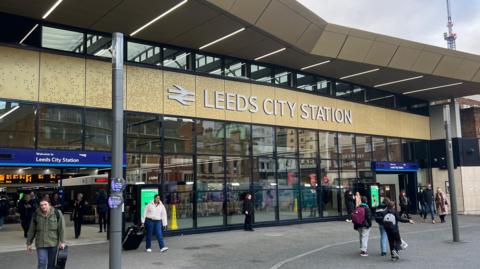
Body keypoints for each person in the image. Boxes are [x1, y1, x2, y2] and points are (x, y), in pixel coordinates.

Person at [26, 197, 66, 269]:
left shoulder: (57, 213)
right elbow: (31, 230)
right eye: (41, 205)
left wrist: (62, 241)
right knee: (42, 262)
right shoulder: (36, 214)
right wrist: (29, 243)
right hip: (41, 243)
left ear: (49, 204)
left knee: (51, 264)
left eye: (45, 204)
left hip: (53, 243)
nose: (43, 206)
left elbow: (62, 228)